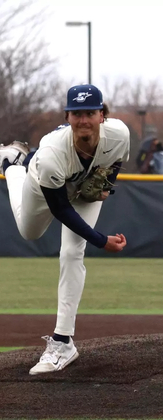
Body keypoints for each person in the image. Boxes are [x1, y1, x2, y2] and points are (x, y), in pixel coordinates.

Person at [0, 84, 130, 375]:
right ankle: (12, 165)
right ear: (68, 117)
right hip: (43, 182)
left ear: (102, 115)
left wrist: (106, 184)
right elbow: (61, 210)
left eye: (89, 112)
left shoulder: (119, 134)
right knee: (29, 232)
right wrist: (100, 241)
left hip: (85, 188)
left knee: (72, 252)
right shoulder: (51, 154)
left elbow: (116, 162)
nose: (83, 119)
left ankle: (62, 342)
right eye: (76, 113)